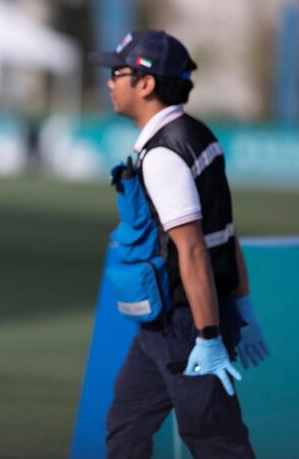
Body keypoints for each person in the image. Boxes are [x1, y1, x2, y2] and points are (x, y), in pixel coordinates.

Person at [89, 30, 270, 458]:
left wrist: (209, 336)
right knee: (126, 426)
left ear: (146, 84)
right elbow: (225, 233)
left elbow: (192, 249)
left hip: (186, 323)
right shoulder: (196, 134)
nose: (110, 82)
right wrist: (240, 306)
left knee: (214, 440)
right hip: (163, 326)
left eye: (118, 73)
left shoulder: (164, 154)